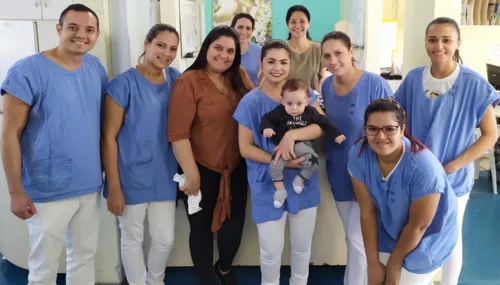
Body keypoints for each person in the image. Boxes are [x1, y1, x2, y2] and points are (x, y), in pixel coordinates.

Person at [0, 4, 108, 285]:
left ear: (96, 35)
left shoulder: (95, 68)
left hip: (88, 183)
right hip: (47, 188)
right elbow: (9, 134)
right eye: (72, 27)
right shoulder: (28, 71)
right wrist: (15, 191)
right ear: (59, 29)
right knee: (44, 267)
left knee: (84, 257)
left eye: (89, 30)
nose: (81, 35)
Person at [394, 17, 500, 285]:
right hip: (417, 176)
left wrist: (452, 166)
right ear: (425, 43)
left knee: (451, 238)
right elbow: (398, 119)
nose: (438, 46)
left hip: (453, 177)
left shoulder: (474, 84)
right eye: (432, 40)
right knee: (418, 231)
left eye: (446, 40)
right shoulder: (413, 79)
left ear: (457, 44)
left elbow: (491, 135)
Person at [167, 25, 254, 285]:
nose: (224, 55)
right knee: (201, 230)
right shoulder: (188, 81)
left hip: (235, 168)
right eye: (218, 48)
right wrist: (191, 175)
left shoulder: (238, 75)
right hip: (199, 169)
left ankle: (224, 268)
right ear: (207, 48)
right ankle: (207, 279)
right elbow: (178, 134)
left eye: (230, 50)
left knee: (232, 231)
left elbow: (257, 105)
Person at [234, 39, 324, 285]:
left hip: (302, 182)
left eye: (283, 62)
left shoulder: (304, 95)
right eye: (271, 61)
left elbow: (319, 126)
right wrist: (281, 160)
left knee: (302, 247)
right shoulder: (251, 102)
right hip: (267, 183)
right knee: (271, 252)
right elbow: (245, 148)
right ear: (260, 63)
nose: (277, 67)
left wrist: (293, 136)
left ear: (290, 64)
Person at [101, 24, 180, 285]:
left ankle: (155, 280)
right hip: (130, 174)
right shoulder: (123, 84)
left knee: (164, 239)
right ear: (146, 44)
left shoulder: (175, 79)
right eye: (160, 45)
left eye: (172, 49)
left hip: (165, 174)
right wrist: (114, 186)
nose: (166, 53)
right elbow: (109, 138)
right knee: (132, 236)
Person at [349, 98, 458, 285]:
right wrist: (373, 263)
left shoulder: (423, 167)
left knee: (404, 281)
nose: (380, 137)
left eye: (389, 129)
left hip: (428, 235)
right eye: (372, 129)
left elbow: (419, 226)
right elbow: (367, 211)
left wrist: (393, 266)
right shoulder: (359, 153)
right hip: (391, 228)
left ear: (402, 129)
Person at [320, 31, 393, 285]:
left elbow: (391, 133)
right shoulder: (327, 85)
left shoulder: (375, 84)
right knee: (352, 239)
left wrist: (374, 175)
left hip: (368, 175)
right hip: (338, 171)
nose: (333, 60)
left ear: (351, 52)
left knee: (358, 239)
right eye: (327, 56)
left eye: (338, 53)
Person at [260, 78, 345, 208]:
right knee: (274, 165)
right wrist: (266, 128)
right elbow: (266, 118)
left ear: (307, 102)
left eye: (299, 103)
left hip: (303, 146)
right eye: (289, 103)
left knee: (315, 161)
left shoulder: (310, 112)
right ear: (282, 101)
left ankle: (300, 179)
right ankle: (280, 191)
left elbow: (324, 122)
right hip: (282, 147)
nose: (294, 108)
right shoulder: (279, 112)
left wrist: (336, 134)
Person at [285, 5, 329, 92]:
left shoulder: (319, 49)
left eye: (302, 21)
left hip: (311, 101)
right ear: (287, 24)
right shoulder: (280, 48)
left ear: (309, 23)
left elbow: (321, 79)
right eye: (293, 22)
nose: (298, 26)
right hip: (285, 102)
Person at [231, 13, 262, 86]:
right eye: (240, 27)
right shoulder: (225, 52)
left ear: (252, 31)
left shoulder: (260, 51)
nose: (244, 32)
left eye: (248, 28)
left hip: (254, 95)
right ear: (232, 28)